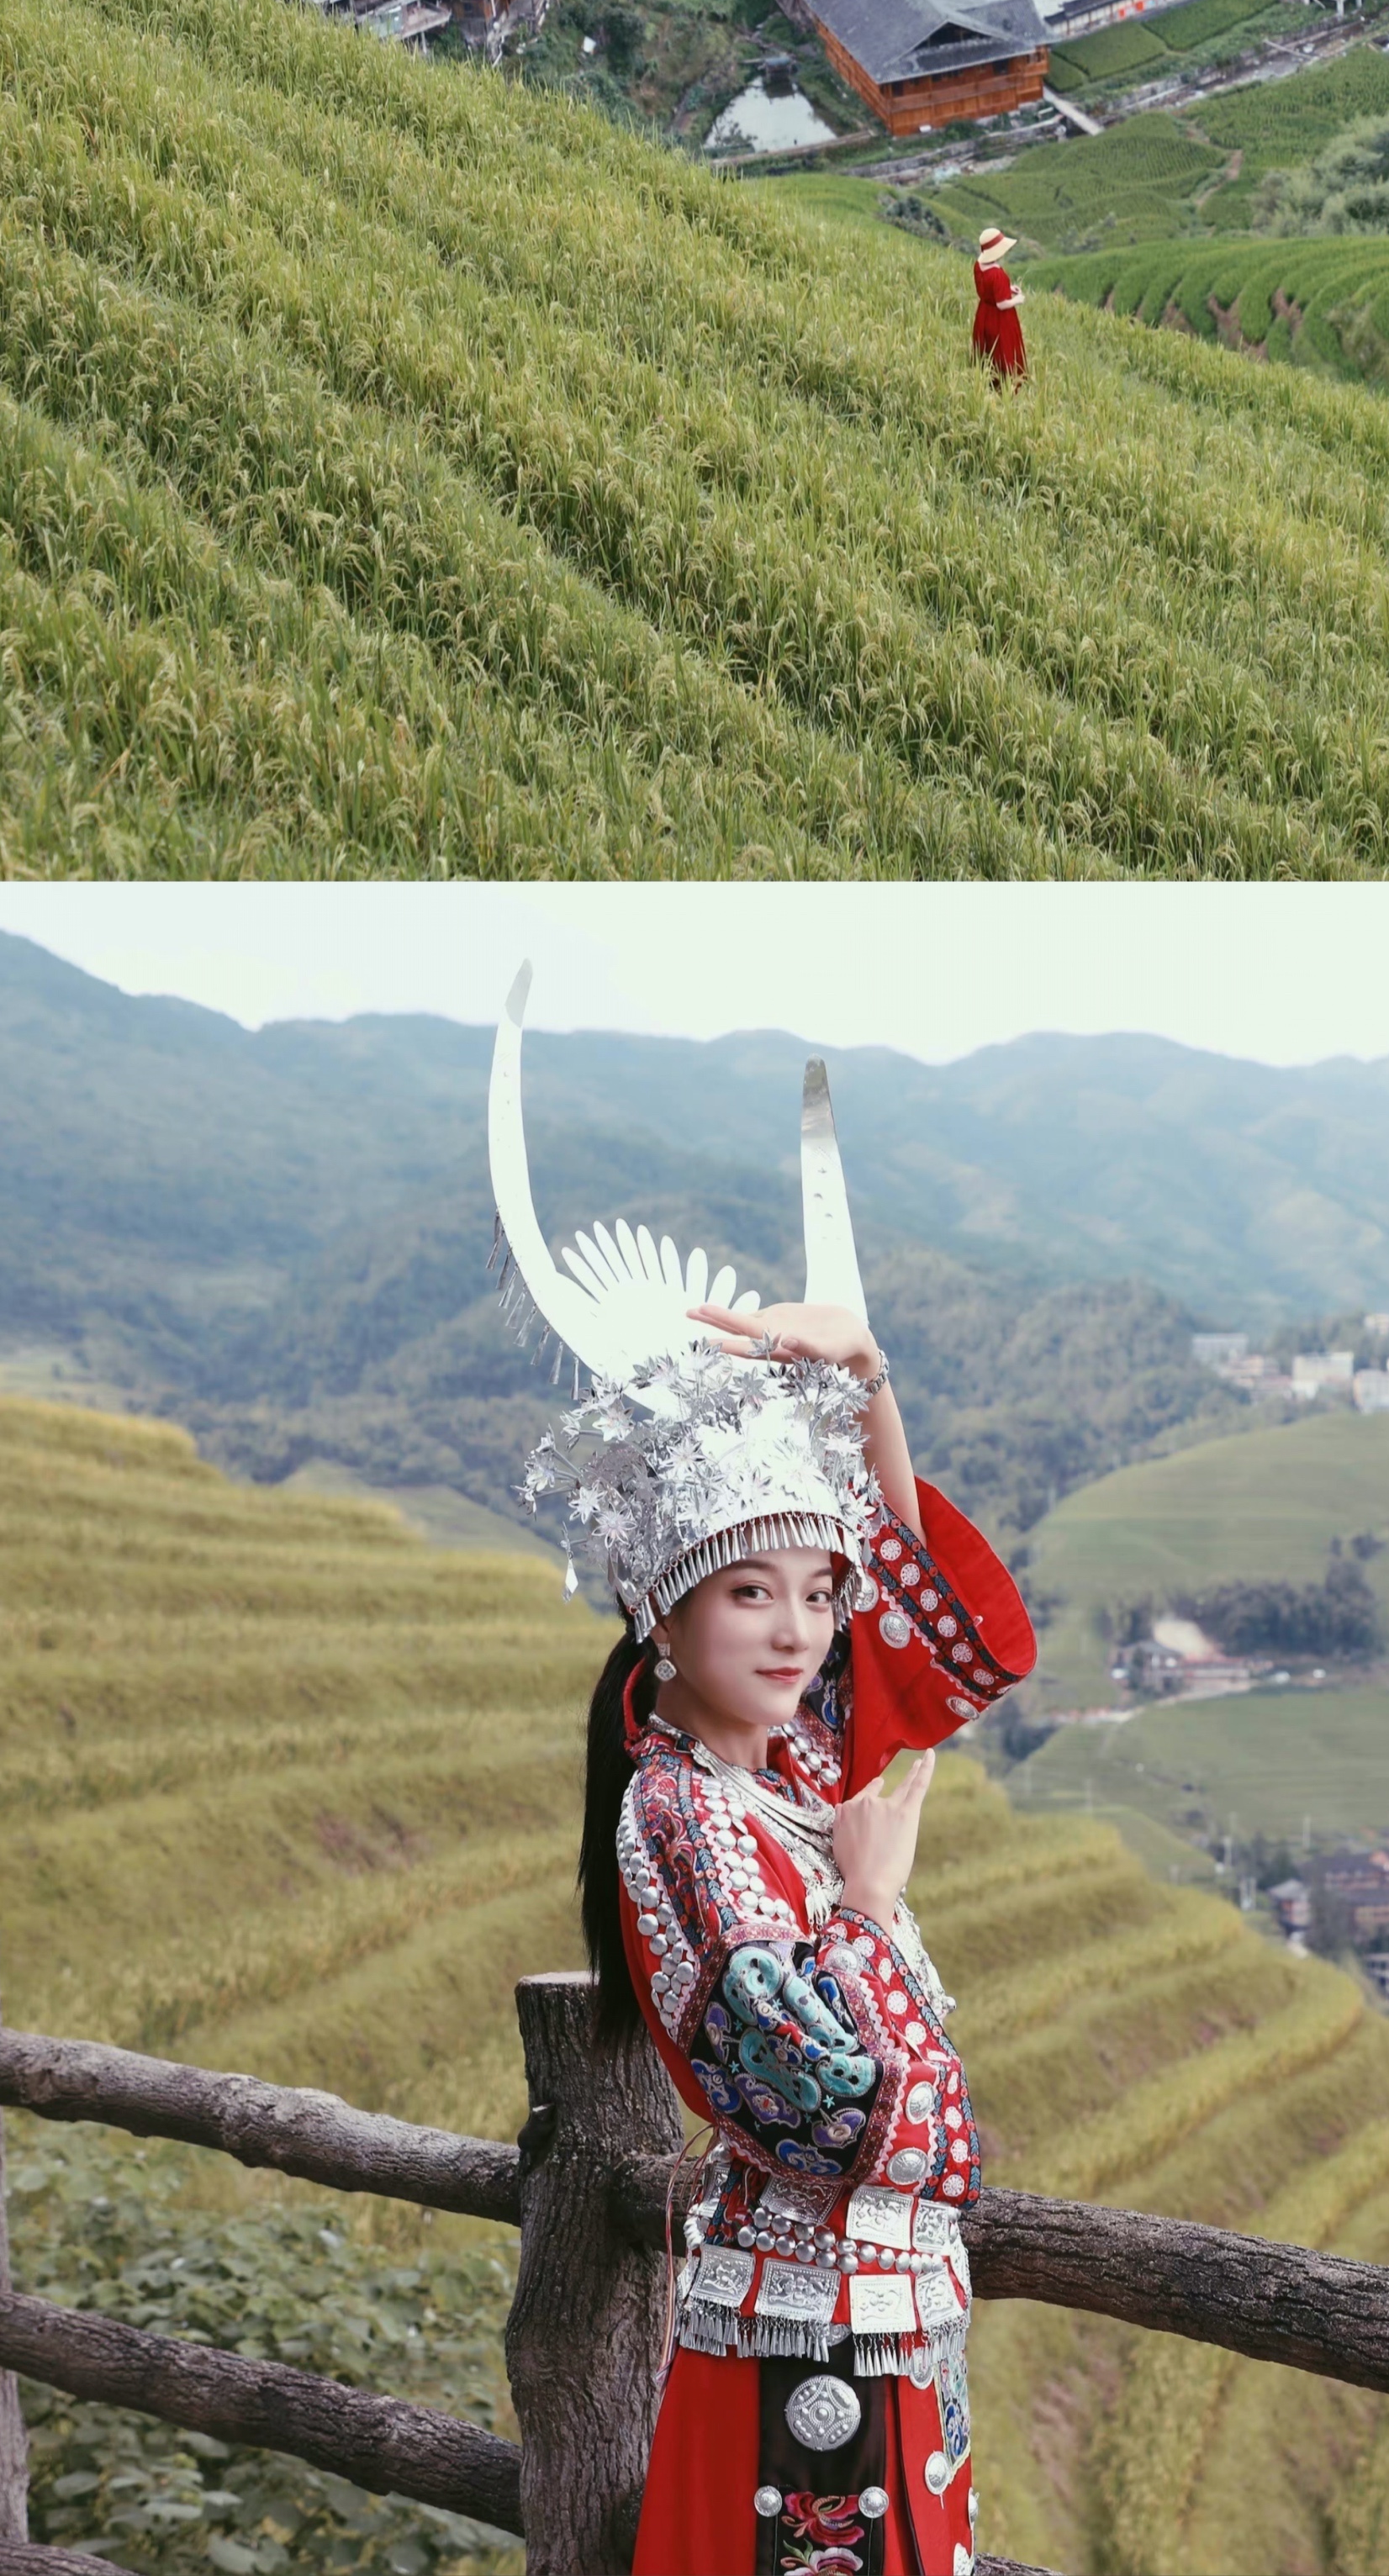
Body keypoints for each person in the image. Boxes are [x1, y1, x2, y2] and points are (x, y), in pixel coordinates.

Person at [489, 981, 1035, 2576]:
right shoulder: (683, 1813)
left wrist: (865, 1380)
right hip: (806, 2332)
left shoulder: (773, 1769)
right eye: (750, 1593)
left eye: (813, 1590)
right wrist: (866, 1905)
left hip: (866, 2321)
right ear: (660, 1618)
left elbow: (945, 1643)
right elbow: (828, 2103)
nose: (802, 1628)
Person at [970, 228, 1026, 384]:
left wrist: (1008, 288)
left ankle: (984, 383)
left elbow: (989, 290)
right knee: (1004, 352)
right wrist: (1017, 300)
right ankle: (1006, 389)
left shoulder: (978, 266)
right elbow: (1001, 304)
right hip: (999, 319)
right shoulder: (997, 274)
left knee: (987, 351)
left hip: (983, 313)